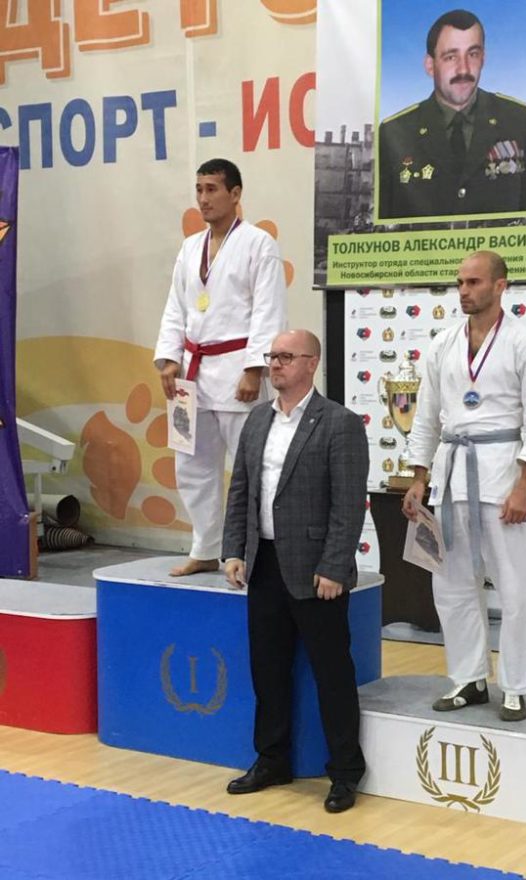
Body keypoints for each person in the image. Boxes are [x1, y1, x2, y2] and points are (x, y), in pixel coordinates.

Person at [402, 251, 526, 721]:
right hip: (452, 476)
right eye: (460, 283)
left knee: (513, 587)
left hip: (502, 474)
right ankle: (468, 678)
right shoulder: (443, 343)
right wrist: (419, 477)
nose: (464, 291)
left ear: (500, 286)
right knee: (450, 585)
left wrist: (525, 485)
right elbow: (427, 415)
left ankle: (515, 685)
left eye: (474, 282)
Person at [223, 329, 368, 812]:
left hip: (317, 572)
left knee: (332, 674)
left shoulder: (339, 423)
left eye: (286, 356)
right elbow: (241, 490)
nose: (275, 364)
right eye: (272, 356)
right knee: (267, 670)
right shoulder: (257, 420)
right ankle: (272, 759)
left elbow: (349, 504)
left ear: (311, 363)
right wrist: (234, 550)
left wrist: (334, 566)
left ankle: (345, 771)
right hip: (263, 564)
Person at [154, 158, 287, 577]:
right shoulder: (190, 247)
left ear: (235, 193)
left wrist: (255, 368)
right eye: (199, 189)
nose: (203, 198)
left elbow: (268, 310)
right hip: (191, 375)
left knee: (249, 467)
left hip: (236, 371)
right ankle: (205, 548)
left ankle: (248, 552)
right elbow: (176, 306)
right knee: (191, 466)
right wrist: (169, 358)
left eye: (212, 189)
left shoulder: (258, 244)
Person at [378, 9, 526, 220]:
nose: (464, 69)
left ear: (483, 59)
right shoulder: (395, 132)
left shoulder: (520, 120)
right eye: (451, 57)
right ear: (430, 65)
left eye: (473, 54)